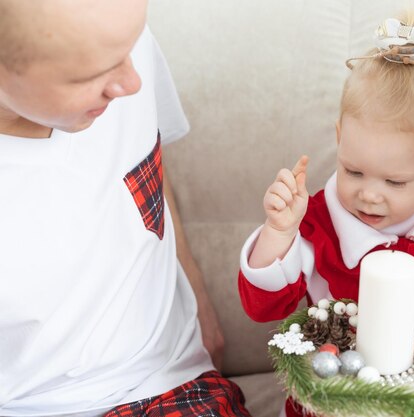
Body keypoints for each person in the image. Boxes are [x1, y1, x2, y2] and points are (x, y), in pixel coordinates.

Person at [237, 9, 414, 417]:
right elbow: (263, 308)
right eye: (353, 170)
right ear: (339, 139)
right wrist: (279, 231)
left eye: (395, 182)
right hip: (338, 400)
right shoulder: (316, 223)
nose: (369, 195)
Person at [0, 1, 251, 416]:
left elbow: (141, 164)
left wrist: (195, 286)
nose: (132, 82)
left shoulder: (117, 46)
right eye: (91, 75)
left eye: (131, 48)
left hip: (169, 384)